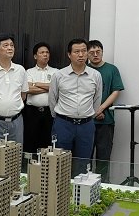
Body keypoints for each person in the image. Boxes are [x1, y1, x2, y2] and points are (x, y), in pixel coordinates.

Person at [49, 38, 102, 177]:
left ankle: (79, 189)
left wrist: (88, 115)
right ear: (69, 54)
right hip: (63, 124)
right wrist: (60, 117)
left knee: (83, 164)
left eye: (84, 51)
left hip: (86, 125)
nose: (81, 55)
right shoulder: (59, 75)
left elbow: (97, 100)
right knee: (60, 163)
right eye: (77, 51)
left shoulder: (95, 75)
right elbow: (52, 99)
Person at [88, 40, 124, 183]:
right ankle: (85, 186)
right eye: (92, 53)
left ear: (102, 52)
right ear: (87, 54)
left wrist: (101, 108)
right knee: (85, 157)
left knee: (104, 157)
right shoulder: (84, 69)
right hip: (86, 121)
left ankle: (102, 186)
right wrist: (94, 112)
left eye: (98, 52)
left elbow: (116, 91)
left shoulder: (112, 69)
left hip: (106, 120)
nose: (95, 55)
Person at [23, 42, 58, 154]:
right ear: (35, 56)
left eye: (47, 52)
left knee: (48, 143)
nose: (45, 55)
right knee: (31, 141)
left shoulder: (56, 72)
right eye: (42, 52)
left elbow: (57, 89)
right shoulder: (29, 72)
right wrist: (49, 87)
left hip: (50, 112)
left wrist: (36, 84)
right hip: (31, 113)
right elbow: (28, 89)